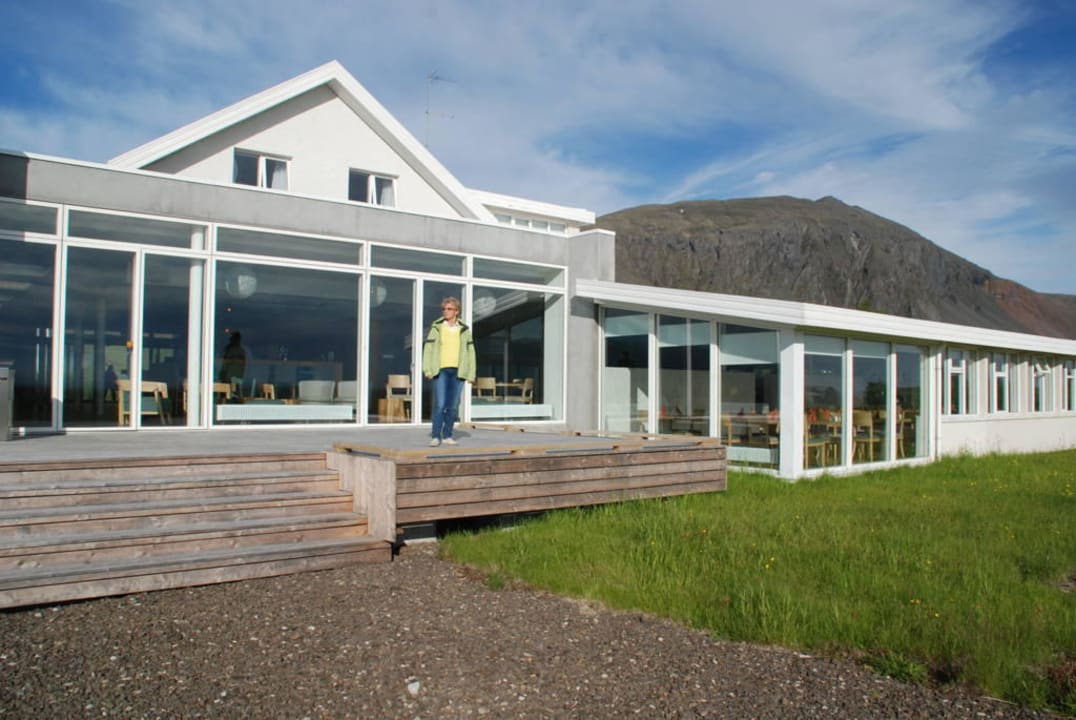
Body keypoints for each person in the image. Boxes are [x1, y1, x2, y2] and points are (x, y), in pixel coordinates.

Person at [422, 297, 476, 446]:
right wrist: (427, 369)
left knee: (452, 406)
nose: (445, 311)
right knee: (440, 404)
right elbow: (428, 349)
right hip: (441, 371)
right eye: (444, 309)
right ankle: (435, 436)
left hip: (459, 372)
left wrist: (471, 374)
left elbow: (471, 352)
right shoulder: (437, 327)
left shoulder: (464, 329)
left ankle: (447, 435)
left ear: (457, 311)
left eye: (449, 309)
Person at [220, 331, 247, 400]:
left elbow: (243, 365)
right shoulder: (229, 349)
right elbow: (225, 363)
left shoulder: (241, 351)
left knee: (235, 395)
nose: (232, 340)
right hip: (229, 377)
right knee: (225, 395)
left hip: (235, 377)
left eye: (233, 339)